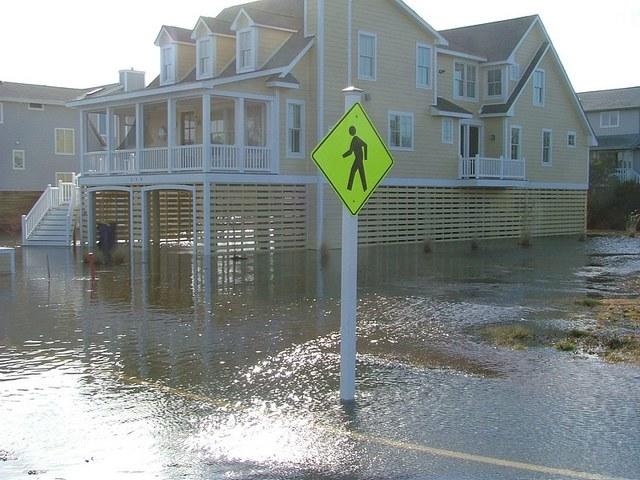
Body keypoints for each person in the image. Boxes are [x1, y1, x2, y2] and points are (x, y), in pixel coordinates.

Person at [343, 126, 368, 191]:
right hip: (359, 159)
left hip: (358, 159)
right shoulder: (354, 139)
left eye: (350, 131)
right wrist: (343, 156)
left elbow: (365, 145)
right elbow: (350, 152)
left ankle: (349, 189)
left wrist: (365, 158)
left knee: (352, 172)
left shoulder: (355, 139)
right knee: (362, 174)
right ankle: (365, 188)